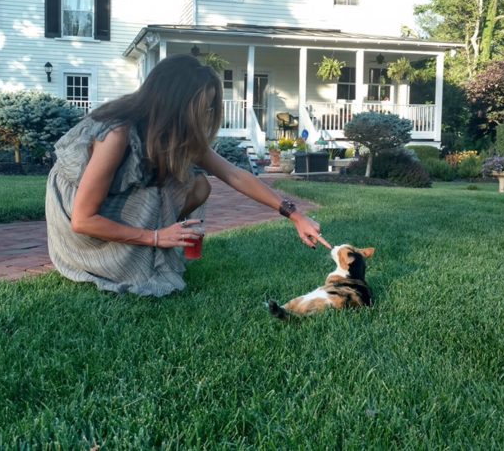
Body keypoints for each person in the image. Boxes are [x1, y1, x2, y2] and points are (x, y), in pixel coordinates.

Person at [46, 54, 330, 296]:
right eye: (200, 107)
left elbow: (233, 174)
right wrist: (154, 237)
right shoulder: (117, 133)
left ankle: (154, 240)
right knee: (157, 206)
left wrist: (295, 215)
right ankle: (147, 243)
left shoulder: (169, 130)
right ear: (174, 103)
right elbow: (82, 220)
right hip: (77, 221)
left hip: (109, 204)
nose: (204, 115)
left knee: (198, 186)